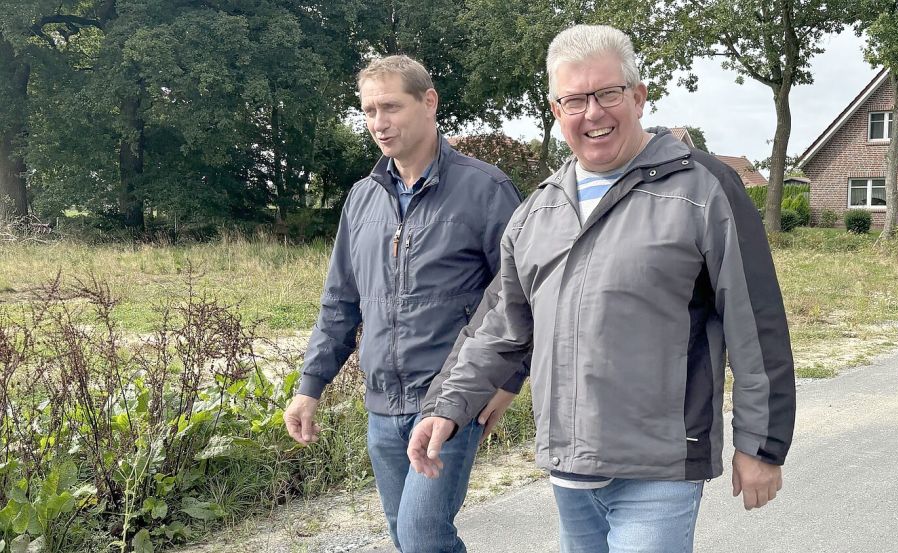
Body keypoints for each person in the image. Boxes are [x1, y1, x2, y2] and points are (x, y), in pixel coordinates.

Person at [409, 25, 796, 553]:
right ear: (556, 110)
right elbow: (498, 327)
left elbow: (755, 322)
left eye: (608, 93)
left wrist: (762, 444)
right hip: (569, 470)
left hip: (658, 469)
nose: (593, 112)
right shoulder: (536, 211)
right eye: (574, 99)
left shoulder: (702, 187)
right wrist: (446, 406)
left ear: (638, 96)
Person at [283, 55, 527, 553]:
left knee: (422, 537)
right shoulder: (363, 198)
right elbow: (340, 302)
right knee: (405, 538)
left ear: (429, 102)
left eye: (390, 107)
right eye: (369, 111)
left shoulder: (486, 190)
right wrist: (310, 387)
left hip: (450, 397)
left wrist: (509, 380)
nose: (379, 123)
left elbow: (521, 294)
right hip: (381, 405)